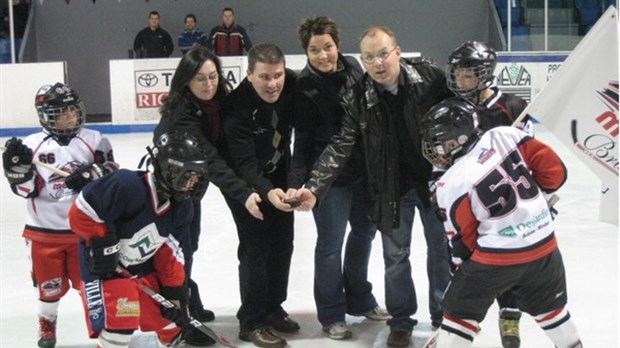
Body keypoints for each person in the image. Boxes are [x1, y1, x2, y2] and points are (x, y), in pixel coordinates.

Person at [291, 26, 453, 347]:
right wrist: (314, 185)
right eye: (368, 57)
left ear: (397, 51)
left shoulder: (429, 76)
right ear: (361, 61)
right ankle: (402, 320)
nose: (377, 63)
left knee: (441, 252)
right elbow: (341, 144)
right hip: (392, 189)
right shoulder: (359, 96)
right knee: (395, 258)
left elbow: (461, 108)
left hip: (435, 184)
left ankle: (442, 316)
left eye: (382, 54)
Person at [419, 97, 582, 348]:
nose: (435, 149)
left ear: (459, 138)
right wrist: (533, 204)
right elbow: (555, 172)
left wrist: (463, 275)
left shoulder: (451, 181)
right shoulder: (506, 134)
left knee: (458, 317)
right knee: (551, 311)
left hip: (496, 259)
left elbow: (464, 243)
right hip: (545, 247)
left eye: (439, 141)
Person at [289, 16, 389, 340]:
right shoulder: (304, 87)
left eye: (327, 47)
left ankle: (360, 299)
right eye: (314, 50)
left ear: (337, 45)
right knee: (330, 247)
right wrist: (298, 180)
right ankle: (332, 314)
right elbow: (301, 141)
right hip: (329, 180)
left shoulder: (355, 69)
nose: (323, 56)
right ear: (306, 51)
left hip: (364, 174)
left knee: (364, 235)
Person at [68, 131, 215, 348]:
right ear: (170, 170)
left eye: (197, 177)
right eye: (189, 175)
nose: (193, 183)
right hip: (104, 270)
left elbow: (171, 253)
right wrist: (102, 245)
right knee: (121, 324)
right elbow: (82, 210)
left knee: (169, 321)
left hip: (141, 268)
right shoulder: (127, 184)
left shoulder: (182, 208)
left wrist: (175, 294)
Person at [153, 45, 263, 328]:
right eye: (200, 78)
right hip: (172, 189)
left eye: (213, 76)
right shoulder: (181, 114)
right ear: (187, 80)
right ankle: (180, 312)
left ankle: (186, 296)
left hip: (192, 185)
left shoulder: (218, 101)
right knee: (181, 246)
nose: (209, 84)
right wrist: (243, 192)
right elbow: (210, 160)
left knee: (191, 242)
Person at [2, 82, 118, 348]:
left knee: (90, 286)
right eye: (60, 113)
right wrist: (17, 172)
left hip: (85, 232)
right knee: (48, 289)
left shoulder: (96, 140)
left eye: (72, 110)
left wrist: (95, 173)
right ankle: (47, 325)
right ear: (45, 116)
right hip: (44, 233)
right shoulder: (31, 145)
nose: (69, 117)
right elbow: (26, 191)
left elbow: (113, 176)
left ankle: (98, 328)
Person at [445, 40, 533, 348]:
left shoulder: (512, 107)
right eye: (457, 74)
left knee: (512, 260)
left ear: (484, 74)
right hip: (467, 204)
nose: (460, 80)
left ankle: (509, 315)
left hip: (504, 201)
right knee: (465, 261)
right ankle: (459, 321)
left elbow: (529, 155)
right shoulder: (452, 108)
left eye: (467, 74)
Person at [220, 42, 298, 348]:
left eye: (277, 75)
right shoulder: (235, 107)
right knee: (256, 246)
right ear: (249, 74)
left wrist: (292, 182)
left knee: (283, 243)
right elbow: (244, 165)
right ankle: (251, 320)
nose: (273, 83)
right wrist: (267, 192)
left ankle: (273, 306)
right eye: (265, 77)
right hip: (246, 184)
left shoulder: (291, 83)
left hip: (280, 174)